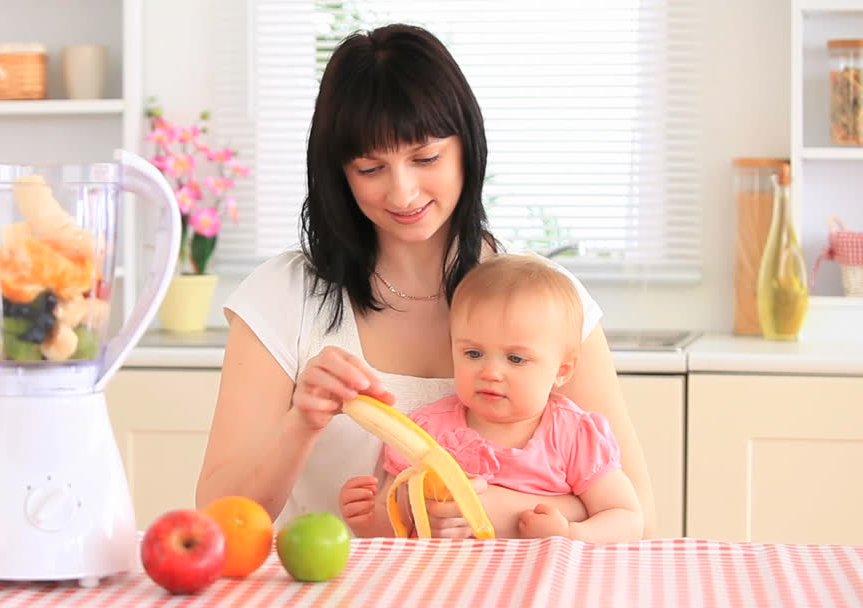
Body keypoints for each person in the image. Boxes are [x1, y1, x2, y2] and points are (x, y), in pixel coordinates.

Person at [196, 23, 657, 539]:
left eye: (426, 158)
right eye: (370, 168)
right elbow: (219, 519)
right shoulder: (284, 297)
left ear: (466, 147)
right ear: (339, 173)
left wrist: (482, 506)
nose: (403, 192)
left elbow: (637, 518)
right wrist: (301, 422)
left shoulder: (545, 300)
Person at [338, 255, 643, 542]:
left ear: (562, 370)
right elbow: (398, 527)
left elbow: (626, 517)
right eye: (473, 353)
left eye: (515, 358)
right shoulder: (427, 430)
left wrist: (570, 533)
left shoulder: (574, 435)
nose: (491, 372)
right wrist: (370, 519)